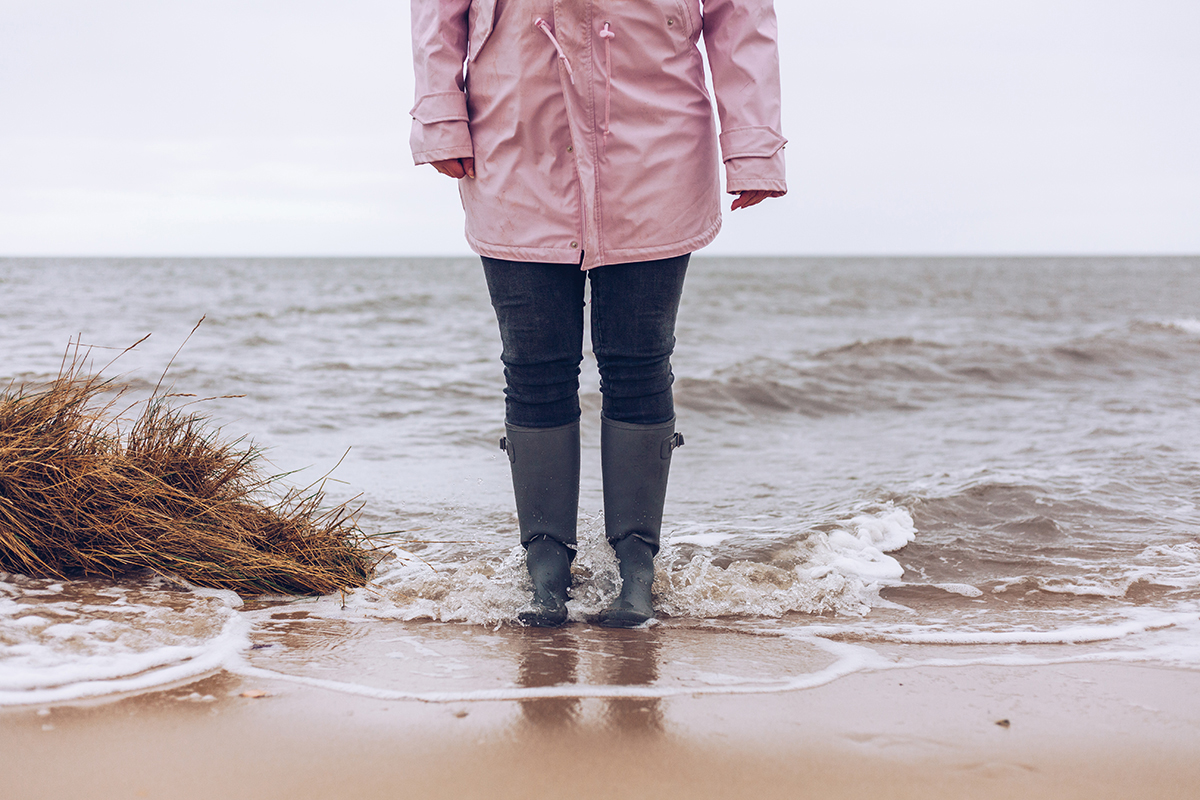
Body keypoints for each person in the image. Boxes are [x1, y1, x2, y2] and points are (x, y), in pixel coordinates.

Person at [410, 0, 786, 627]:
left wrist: (752, 147)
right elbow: (436, 14)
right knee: (533, 368)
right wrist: (441, 118)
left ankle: (637, 572)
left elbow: (741, 18)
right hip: (514, 136)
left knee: (640, 365)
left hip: (653, 140)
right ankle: (545, 575)